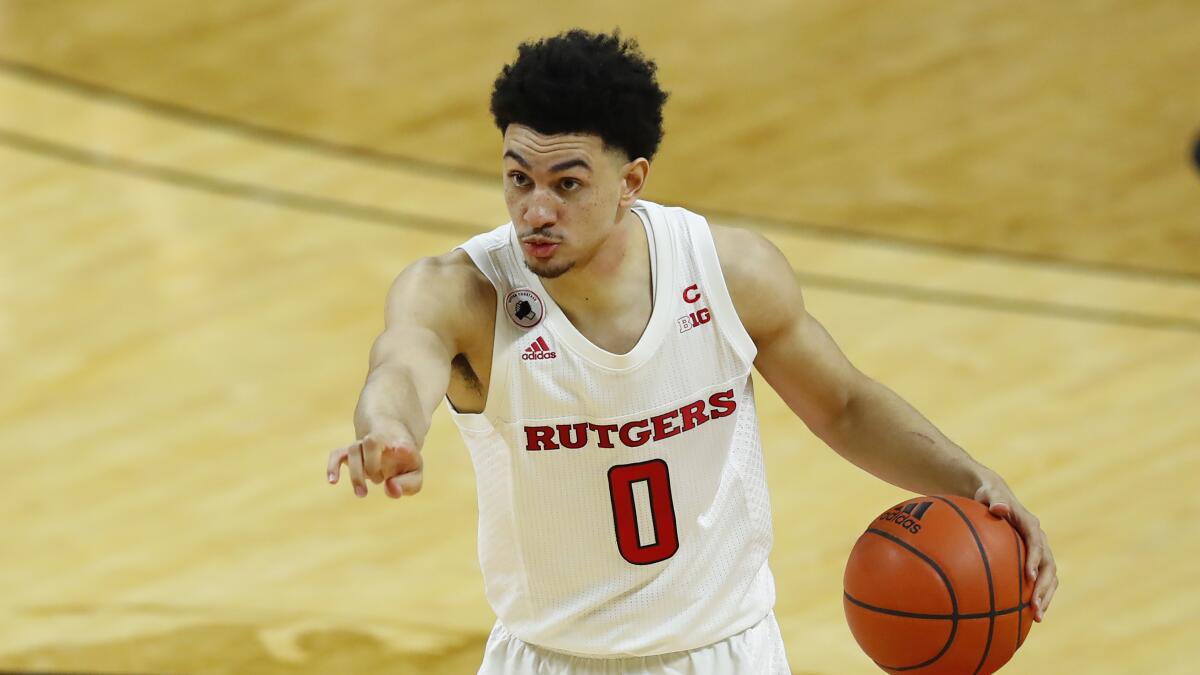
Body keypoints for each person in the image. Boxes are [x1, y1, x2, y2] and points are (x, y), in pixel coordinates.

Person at [326, 29, 1058, 674]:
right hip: (549, 660)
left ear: (631, 181)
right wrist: (388, 429)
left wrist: (973, 479)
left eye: (566, 183)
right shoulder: (462, 293)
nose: (534, 209)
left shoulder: (729, 273)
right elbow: (400, 363)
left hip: (726, 655)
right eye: (518, 178)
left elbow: (843, 404)